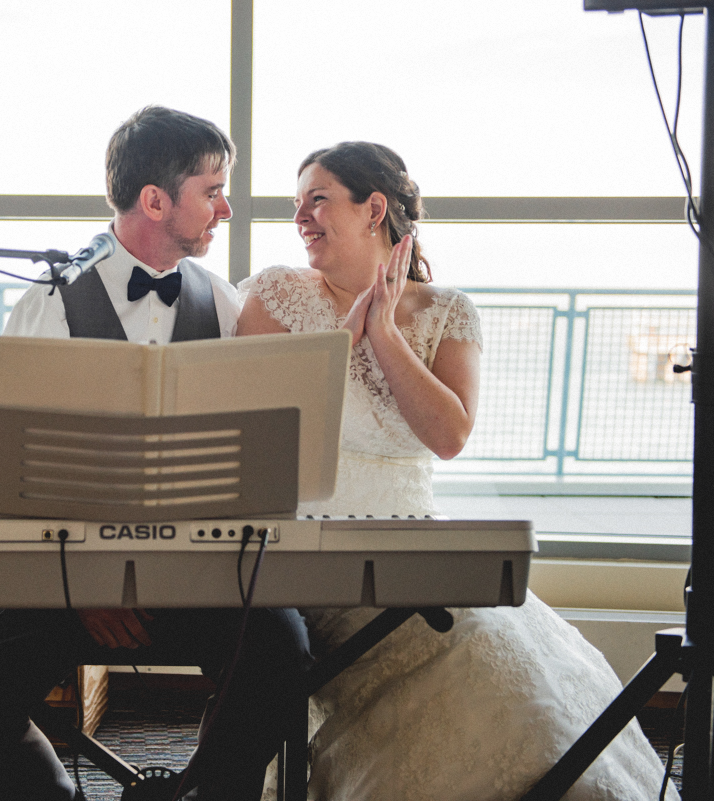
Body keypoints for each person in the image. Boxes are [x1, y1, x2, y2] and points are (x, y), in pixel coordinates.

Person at [237, 141, 676, 800]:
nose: (300, 216)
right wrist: (343, 343)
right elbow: (258, 431)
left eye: (317, 199)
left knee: (503, 659)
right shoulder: (274, 295)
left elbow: (449, 435)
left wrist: (384, 334)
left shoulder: (447, 311)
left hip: (415, 547)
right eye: (295, 204)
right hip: (310, 555)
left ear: (373, 208)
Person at [0, 105, 312, 801]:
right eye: (212, 190)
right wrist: (85, 577)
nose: (224, 209)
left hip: (196, 571)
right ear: (156, 200)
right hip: (60, 570)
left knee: (282, 657)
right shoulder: (48, 298)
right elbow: (10, 465)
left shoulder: (223, 304)